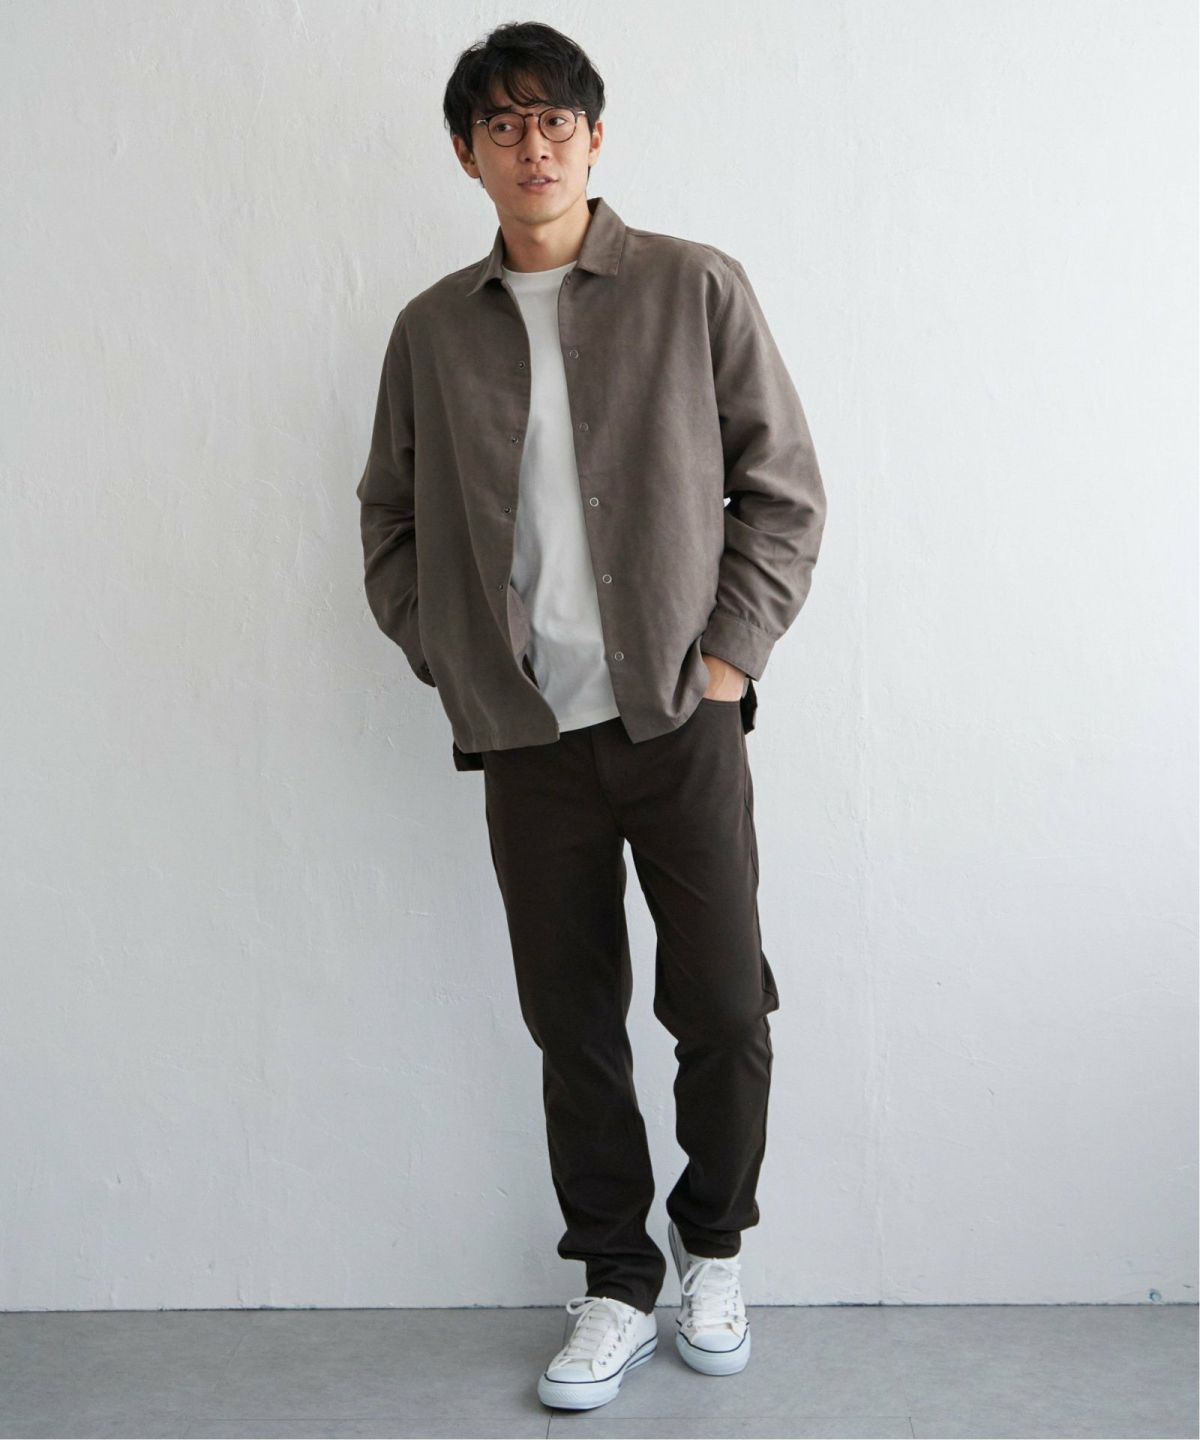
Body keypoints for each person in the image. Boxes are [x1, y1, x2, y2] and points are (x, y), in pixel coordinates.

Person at [355, 20, 826, 1413]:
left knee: (724, 1004)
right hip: (528, 738)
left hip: (681, 721)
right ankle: (615, 1280)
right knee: (573, 1021)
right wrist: (453, 657)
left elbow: (783, 491)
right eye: (502, 125)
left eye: (555, 119)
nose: (533, 145)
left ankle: (713, 1251)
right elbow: (389, 521)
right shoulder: (433, 330)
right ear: (467, 155)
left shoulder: (693, 285)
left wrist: (728, 659)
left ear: (595, 136)